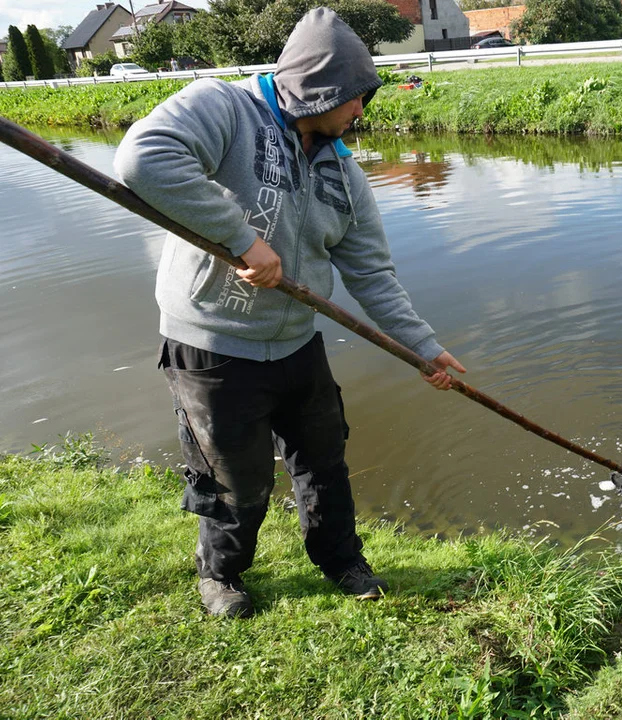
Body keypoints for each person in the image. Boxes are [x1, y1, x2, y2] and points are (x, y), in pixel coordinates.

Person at [114, 7, 465, 618]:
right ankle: (221, 574)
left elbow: (372, 275)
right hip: (213, 345)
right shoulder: (222, 107)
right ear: (318, 89)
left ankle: (341, 560)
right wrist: (241, 239)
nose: (362, 111)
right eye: (355, 98)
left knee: (324, 459)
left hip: (297, 342)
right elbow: (142, 160)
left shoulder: (342, 169)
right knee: (237, 478)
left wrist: (423, 348)